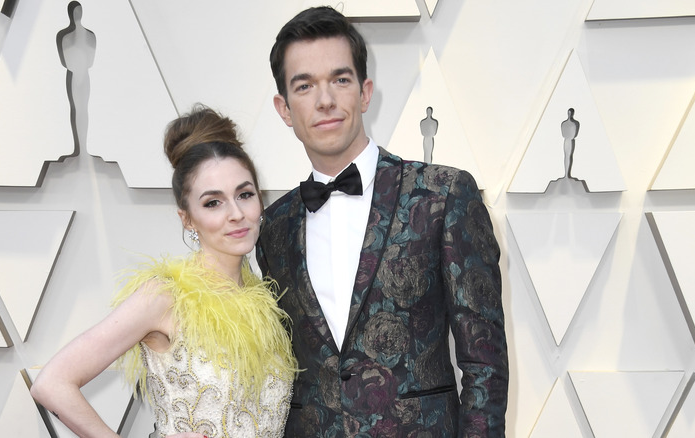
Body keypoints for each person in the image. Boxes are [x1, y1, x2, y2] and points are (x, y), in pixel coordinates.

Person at [256, 7, 508, 437]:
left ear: (365, 91)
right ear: (283, 108)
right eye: (305, 85)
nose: (325, 100)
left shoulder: (443, 195)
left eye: (340, 79)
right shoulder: (273, 228)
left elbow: (484, 365)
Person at [31, 105, 298, 438]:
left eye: (244, 195)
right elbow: (52, 383)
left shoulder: (268, 305)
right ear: (186, 217)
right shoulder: (165, 296)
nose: (236, 213)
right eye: (213, 202)